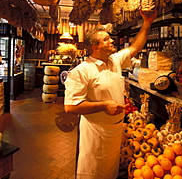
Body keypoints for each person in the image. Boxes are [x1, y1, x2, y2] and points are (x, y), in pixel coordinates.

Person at [64, 10, 156, 179]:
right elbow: (70, 106)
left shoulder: (114, 60)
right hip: (95, 131)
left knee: (109, 171)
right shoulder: (82, 71)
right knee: (93, 171)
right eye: (106, 39)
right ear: (95, 47)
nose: (111, 40)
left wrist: (147, 23)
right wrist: (104, 105)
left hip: (115, 129)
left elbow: (135, 46)